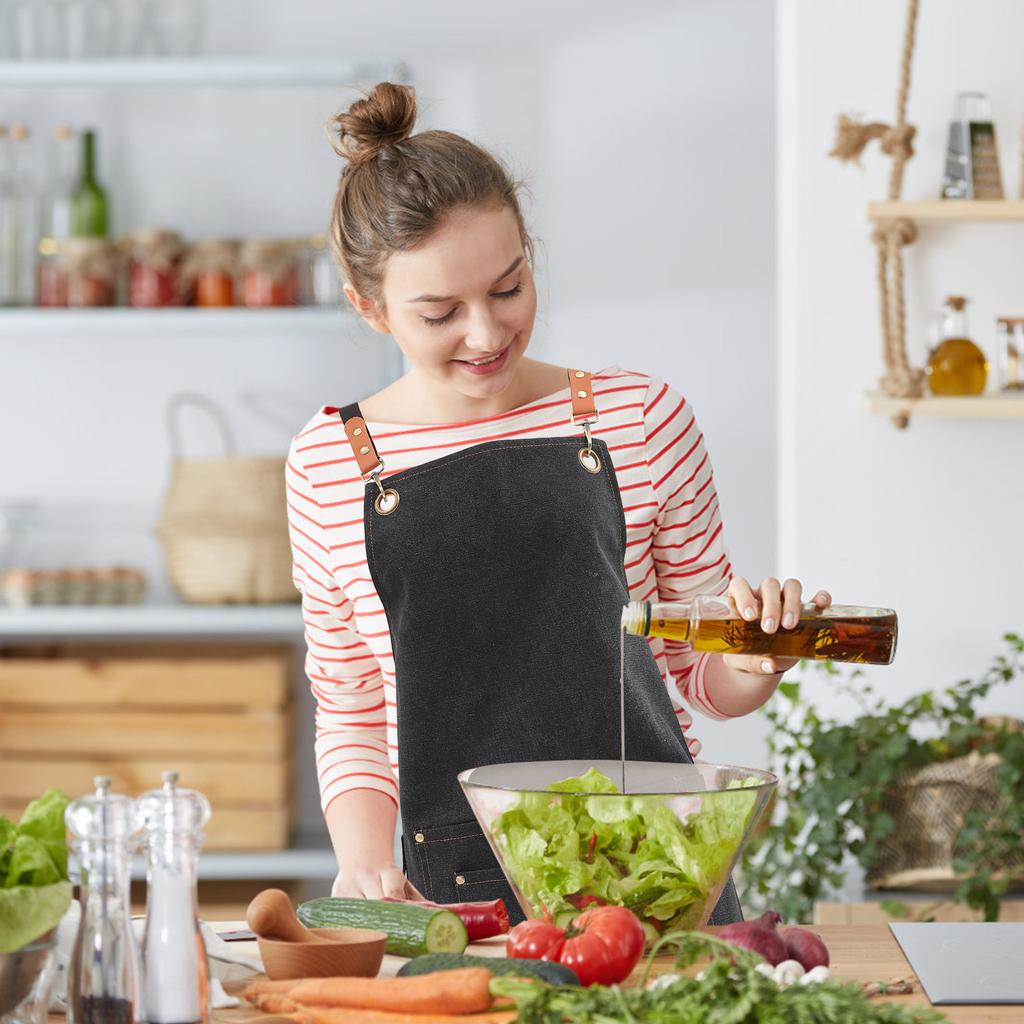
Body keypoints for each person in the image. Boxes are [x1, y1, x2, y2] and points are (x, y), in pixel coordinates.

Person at [286, 82, 831, 924]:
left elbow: (702, 678)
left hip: (663, 870)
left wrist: (759, 656)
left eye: (508, 288)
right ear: (368, 307)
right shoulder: (328, 463)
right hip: (454, 895)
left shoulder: (641, 418)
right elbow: (352, 703)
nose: (486, 333)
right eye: (439, 312)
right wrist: (362, 866)